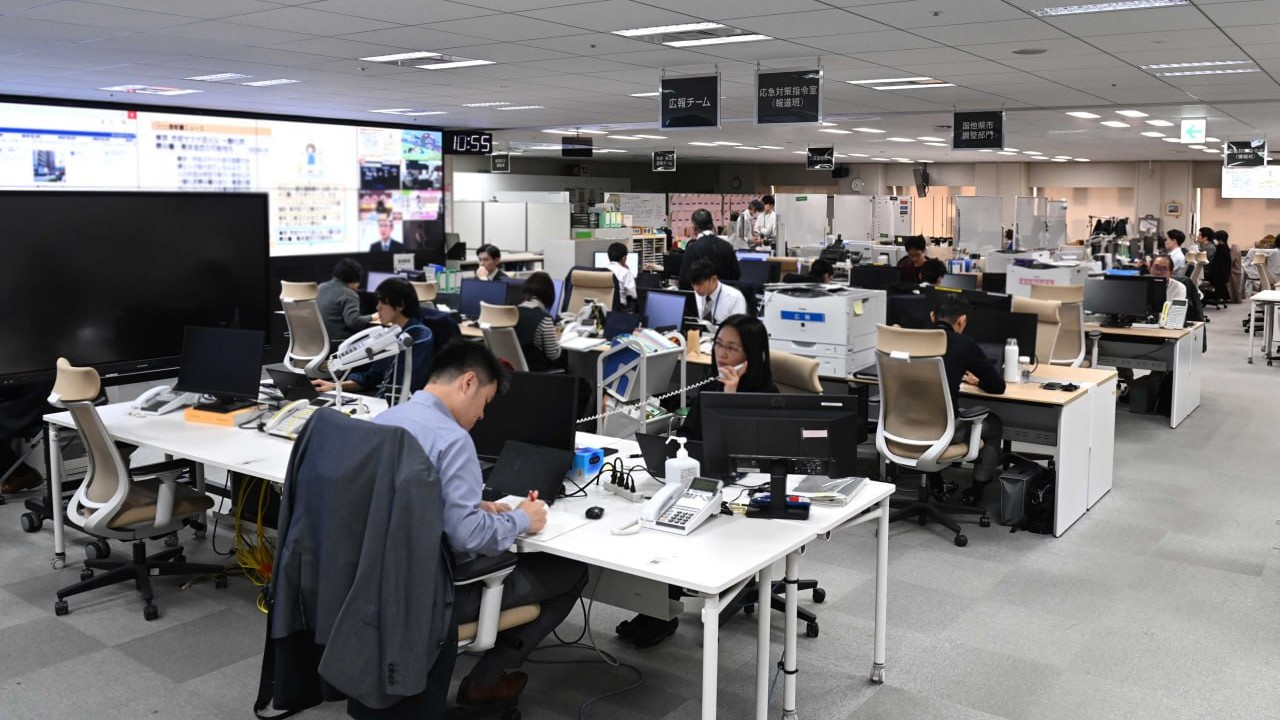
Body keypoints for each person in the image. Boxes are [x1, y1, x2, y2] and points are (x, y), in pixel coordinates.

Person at [374, 342, 587, 706]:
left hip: (377, 583)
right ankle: (487, 681)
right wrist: (523, 518)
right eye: (485, 402)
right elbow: (468, 536)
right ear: (468, 382)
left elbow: (403, 497)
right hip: (436, 594)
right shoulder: (453, 441)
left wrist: (467, 505)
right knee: (571, 571)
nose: (483, 415)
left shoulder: (386, 420)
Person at [615, 315, 776, 648]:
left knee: (685, 531)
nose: (722, 354)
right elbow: (690, 437)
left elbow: (744, 452)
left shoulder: (766, 394)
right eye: (719, 344)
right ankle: (657, 611)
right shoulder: (709, 386)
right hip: (705, 481)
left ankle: (663, 614)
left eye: (732, 348)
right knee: (662, 526)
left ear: (752, 353)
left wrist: (730, 393)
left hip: (747, 492)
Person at [931, 297, 1006, 506]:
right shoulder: (964, 344)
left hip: (902, 427)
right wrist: (977, 381)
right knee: (994, 423)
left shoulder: (908, 339)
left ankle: (936, 484)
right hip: (945, 432)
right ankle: (976, 492)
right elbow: (997, 386)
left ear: (932, 317)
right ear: (961, 321)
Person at [313, 278, 433, 399]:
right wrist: (335, 385)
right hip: (382, 399)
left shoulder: (420, 336)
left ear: (400, 305)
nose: (377, 307)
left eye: (383, 302)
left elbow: (406, 385)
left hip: (400, 402)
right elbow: (372, 377)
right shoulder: (390, 334)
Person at [678, 208, 740, 290]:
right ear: (712, 225)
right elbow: (736, 275)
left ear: (693, 227)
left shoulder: (692, 249)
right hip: (726, 295)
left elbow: (684, 282)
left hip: (700, 296)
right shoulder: (727, 246)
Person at [514, 271, 564, 372]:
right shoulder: (544, 319)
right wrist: (560, 339)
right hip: (536, 374)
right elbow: (553, 355)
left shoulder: (511, 313)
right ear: (548, 295)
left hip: (511, 371)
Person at [316, 258, 375, 343]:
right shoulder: (349, 294)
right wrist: (373, 317)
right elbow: (353, 322)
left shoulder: (320, 287)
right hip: (339, 342)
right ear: (355, 278)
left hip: (318, 342)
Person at [689, 259, 747, 328]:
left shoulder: (735, 297)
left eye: (700, 284)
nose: (696, 288)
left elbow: (738, 329)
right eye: (693, 284)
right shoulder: (694, 295)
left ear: (713, 279)